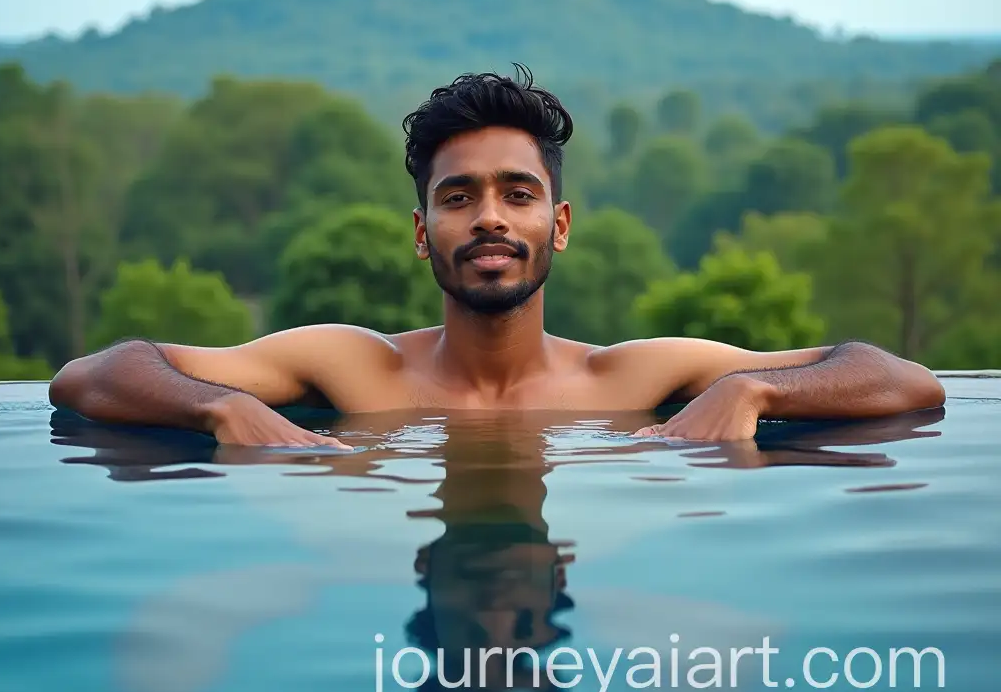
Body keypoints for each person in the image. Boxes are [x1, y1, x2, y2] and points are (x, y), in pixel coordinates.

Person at [49, 65, 945, 450]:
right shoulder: (351, 366)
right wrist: (222, 411)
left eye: (517, 194)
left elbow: (897, 378)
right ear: (420, 232)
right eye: (457, 196)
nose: (487, 218)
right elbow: (97, 373)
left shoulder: (628, 379)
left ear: (557, 226)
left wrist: (757, 389)